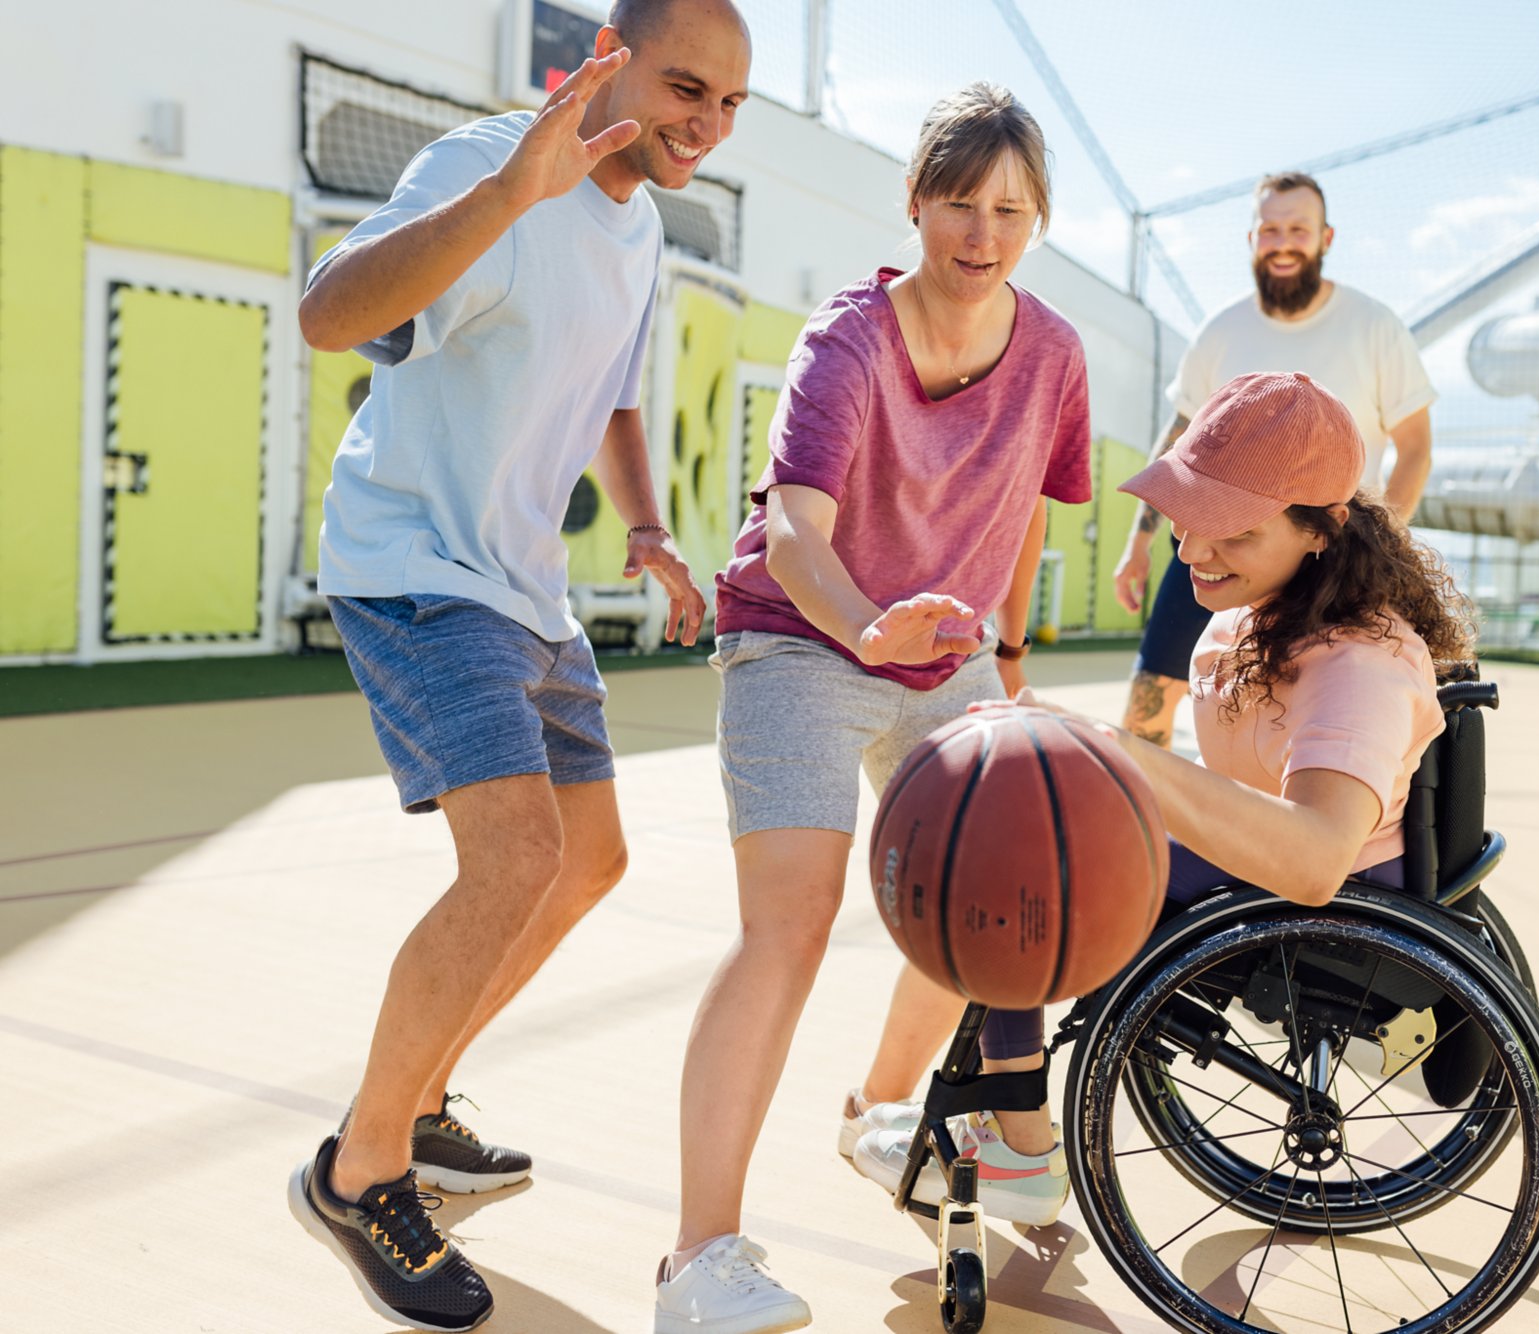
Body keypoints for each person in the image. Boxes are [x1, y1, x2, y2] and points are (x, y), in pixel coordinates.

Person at [284, 5, 750, 1329]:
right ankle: (359, 1166)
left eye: (728, 105)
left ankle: (416, 1104)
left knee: (589, 857)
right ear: (607, 52)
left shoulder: (643, 225)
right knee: (514, 858)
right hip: (416, 561)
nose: (705, 125)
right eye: (683, 87)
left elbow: (612, 392)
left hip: (525, 586)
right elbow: (331, 315)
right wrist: (505, 191)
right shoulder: (490, 165)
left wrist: (651, 527)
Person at [655, 83, 1091, 1334]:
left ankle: (880, 1110)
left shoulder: (1052, 351)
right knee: (785, 931)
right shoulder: (847, 340)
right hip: (802, 635)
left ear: (1034, 219)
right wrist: (863, 626)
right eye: (958, 202)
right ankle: (696, 1261)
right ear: (915, 203)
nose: (981, 231)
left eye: (1009, 209)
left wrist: (1005, 654)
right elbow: (794, 531)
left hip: (942, 651)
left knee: (987, 895)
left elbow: (1033, 506)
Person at [849, 370, 1472, 1215]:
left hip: (1332, 904)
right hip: (1261, 874)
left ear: (1320, 532)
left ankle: (1019, 1146)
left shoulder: (1356, 665)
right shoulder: (1266, 612)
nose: (1192, 551)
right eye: (1187, 518)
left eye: (1233, 533)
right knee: (1032, 805)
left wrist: (1119, 756)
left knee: (1009, 861)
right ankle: (953, 1105)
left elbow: (1318, 858)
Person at [1111, 172, 1438, 749]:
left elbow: (1415, 448)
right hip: (1213, 538)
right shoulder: (1222, 330)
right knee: (1145, 709)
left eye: (1297, 228)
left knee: (1301, 712)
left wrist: (1385, 544)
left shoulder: (1374, 326)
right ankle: (1142, 829)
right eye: (1270, 229)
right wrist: (1138, 543)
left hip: (1322, 549)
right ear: (1252, 239)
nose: (1283, 241)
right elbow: (1183, 432)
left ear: (1325, 238)